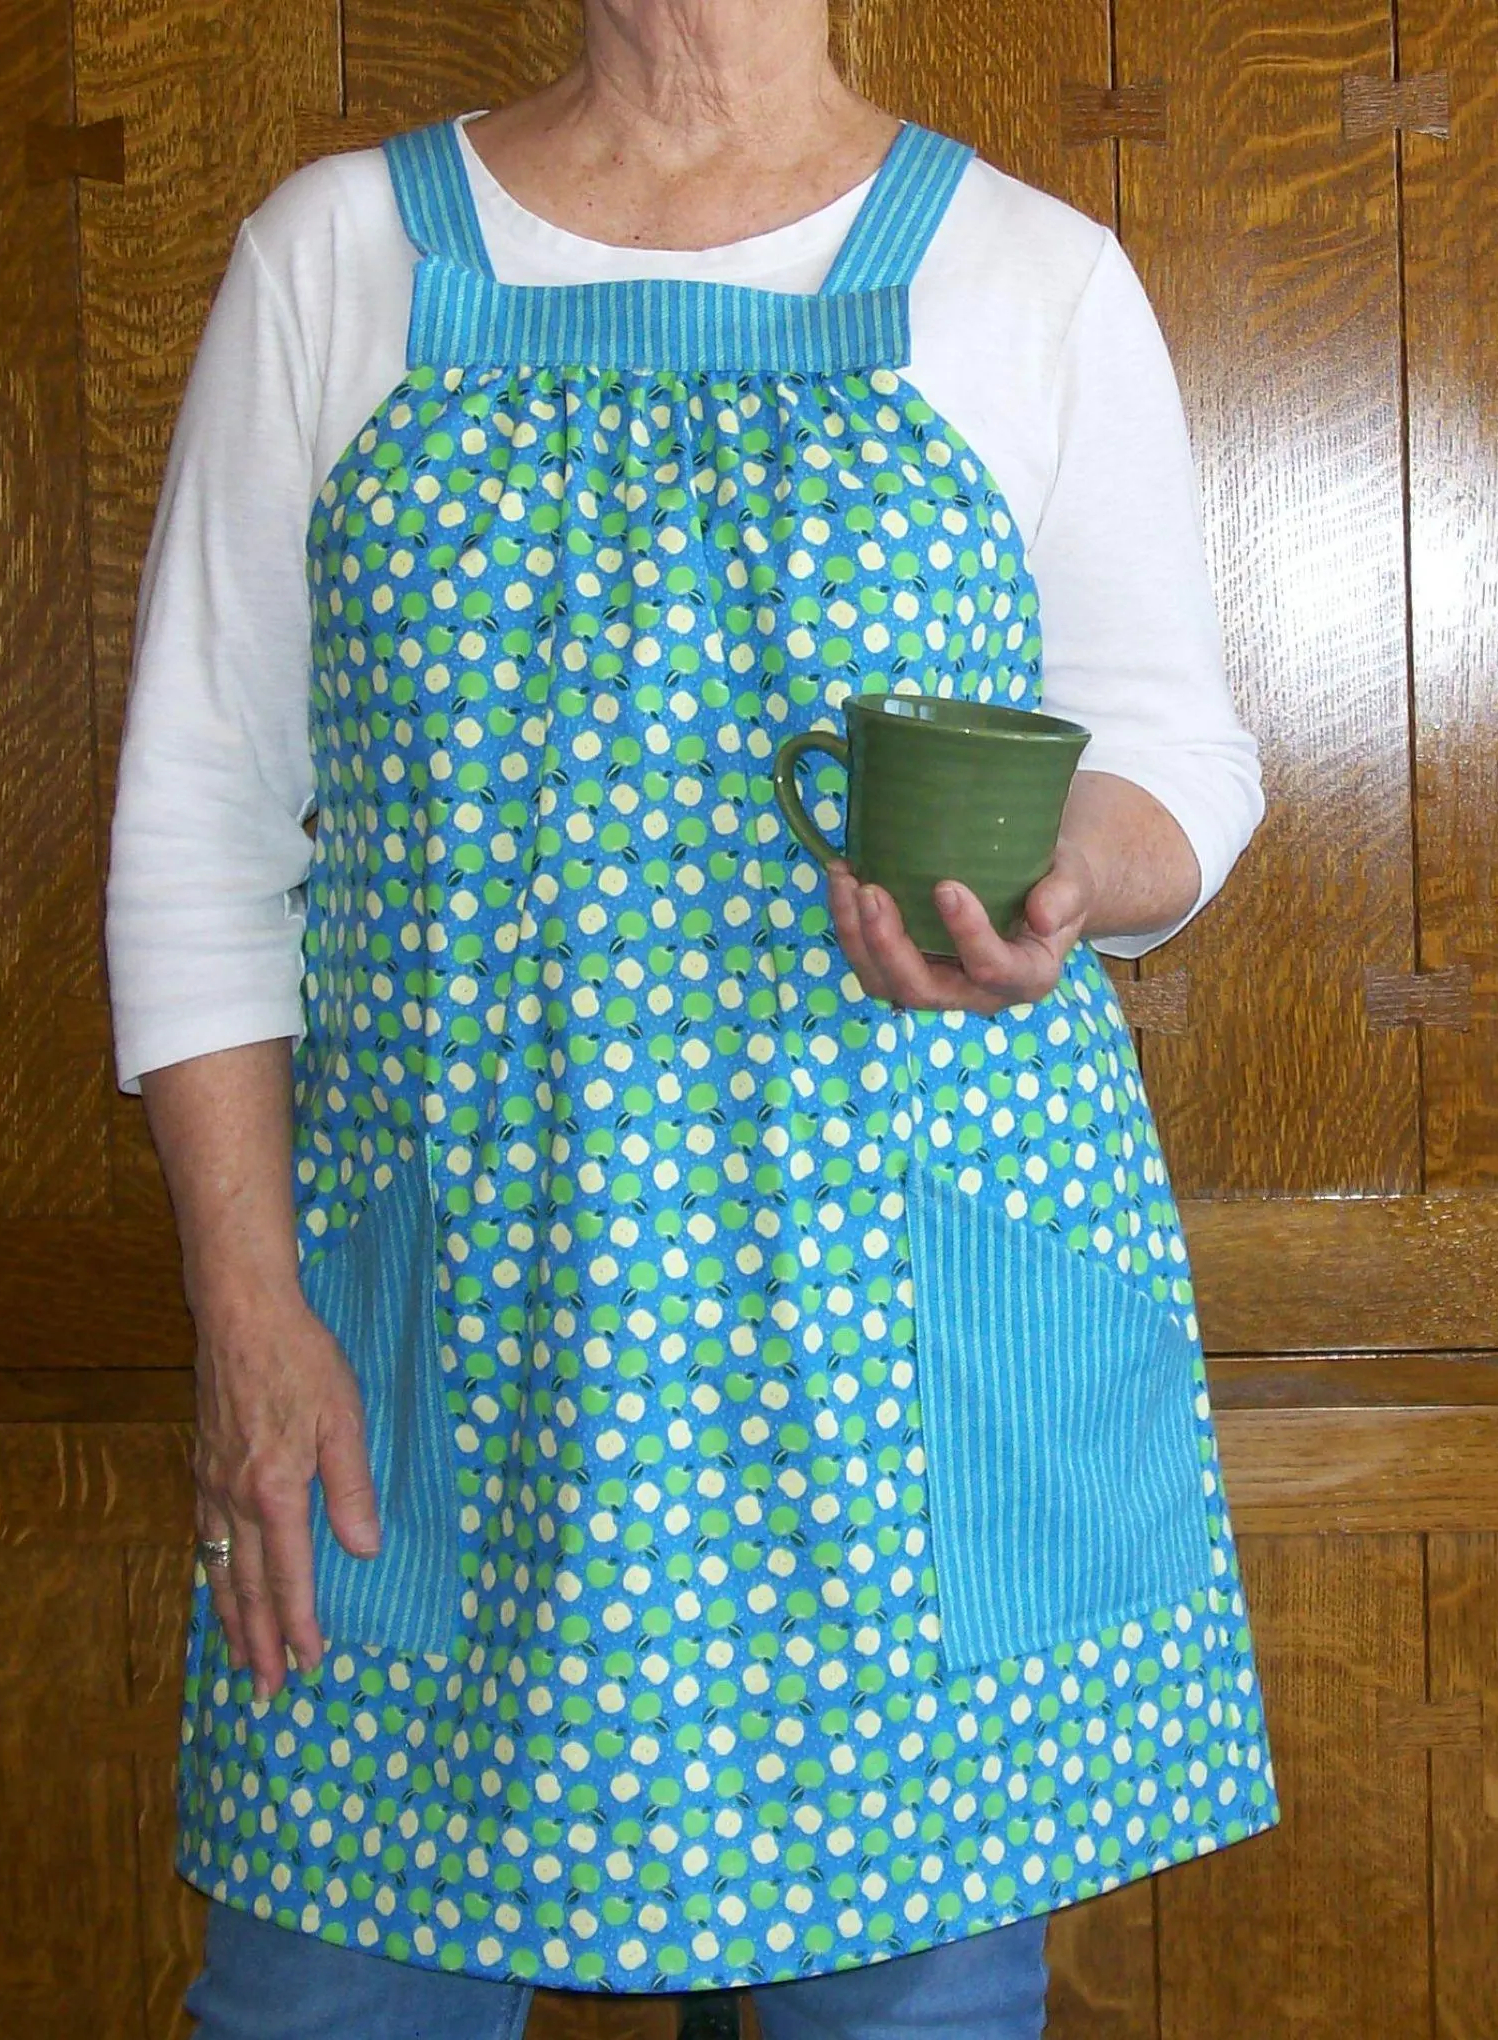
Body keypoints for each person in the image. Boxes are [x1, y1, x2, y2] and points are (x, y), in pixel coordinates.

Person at [106, 2, 1276, 2033]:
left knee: (909, 2009)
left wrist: (1067, 881)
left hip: (887, 1352)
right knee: (328, 2002)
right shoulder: (335, 255)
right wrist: (245, 1302)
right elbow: (199, 817)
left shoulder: (1029, 271)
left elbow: (1174, 752)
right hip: (445, 1344)